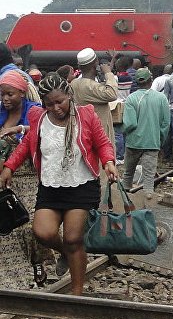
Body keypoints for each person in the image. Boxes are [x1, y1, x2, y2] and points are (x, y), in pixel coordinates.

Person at [0, 73, 118, 295]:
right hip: (51, 186)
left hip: (81, 185)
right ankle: (66, 252)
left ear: (69, 96)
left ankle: (77, 293)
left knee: (74, 238)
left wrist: (109, 162)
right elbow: (26, 145)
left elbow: (102, 143)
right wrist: (10, 167)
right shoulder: (38, 117)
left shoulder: (86, 115)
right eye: (49, 104)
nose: (55, 108)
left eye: (60, 101)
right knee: (42, 232)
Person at [0, 69, 53, 285]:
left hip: (31, 176)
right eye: (2, 94)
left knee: (31, 224)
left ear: (21, 92)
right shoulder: (0, 112)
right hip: (6, 176)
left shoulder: (35, 111)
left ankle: (39, 262)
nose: (5, 99)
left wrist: (19, 128)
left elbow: (45, 129)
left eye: (9, 94)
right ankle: (16, 273)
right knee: (9, 226)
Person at [121, 68, 171, 193]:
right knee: (149, 178)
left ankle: (124, 201)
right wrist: (159, 139)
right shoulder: (161, 98)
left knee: (128, 174)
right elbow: (165, 123)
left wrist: (124, 132)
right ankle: (148, 203)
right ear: (151, 79)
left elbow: (130, 123)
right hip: (152, 143)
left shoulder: (131, 99)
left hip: (133, 143)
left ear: (137, 82)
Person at [70, 48, 118, 148]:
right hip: (99, 139)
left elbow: (99, 88)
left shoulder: (75, 83)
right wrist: (108, 73)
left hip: (84, 134)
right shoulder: (90, 86)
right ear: (95, 64)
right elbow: (112, 94)